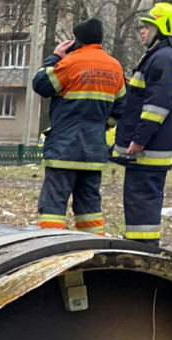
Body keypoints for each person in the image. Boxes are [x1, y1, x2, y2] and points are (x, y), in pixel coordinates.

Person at [32, 18, 125, 235]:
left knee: (54, 205)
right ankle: (93, 248)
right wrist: (101, 127)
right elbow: (120, 109)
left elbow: (41, 84)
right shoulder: (115, 67)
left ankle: (51, 243)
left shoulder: (72, 63)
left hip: (65, 146)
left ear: (76, 41)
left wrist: (54, 57)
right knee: (90, 207)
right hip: (94, 149)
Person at [112, 2, 172, 245]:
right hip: (152, 148)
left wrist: (139, 140)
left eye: (147, 26)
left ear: (162, 28)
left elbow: (157, 106)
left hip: (148, 150)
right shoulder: (165, 55)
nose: (142, 31)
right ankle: (140, 244)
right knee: (141, 201)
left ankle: (141, 248)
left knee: (141, 201)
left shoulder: (163, 57)